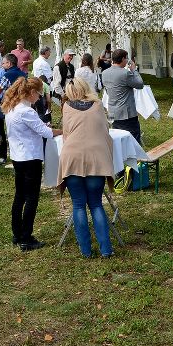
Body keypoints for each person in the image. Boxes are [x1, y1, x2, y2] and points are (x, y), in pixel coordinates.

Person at [57, 77, 114, 258]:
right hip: (96, 159)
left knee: (79, 205)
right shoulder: (97, 106)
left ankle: (86, 251)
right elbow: (105, 130)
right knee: (96, 204)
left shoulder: (66, 107)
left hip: (72, 158)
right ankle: (106, 249)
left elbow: (66, 134)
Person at [2, 77, 61, 250]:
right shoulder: (26, 111)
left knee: (20, 196)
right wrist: (63, 131)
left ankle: (17, 233)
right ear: (32, 93)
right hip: (30, 158)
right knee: (31, 198)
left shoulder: (12, 108)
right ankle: (26, 237)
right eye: (39, 94)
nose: (40, 97)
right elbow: (46, 132)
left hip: (18, 156)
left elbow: (35, 128)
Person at [100, 48, 145, 144]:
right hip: (126, 113)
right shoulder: (125, 73)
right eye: (126, 58)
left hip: (112, 111)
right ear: (123, 59)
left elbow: (107, 91)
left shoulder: (104, 73)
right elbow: (140, 84)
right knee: (133, 140)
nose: (127, 61)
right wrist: (134, 70)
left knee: (117, 139)